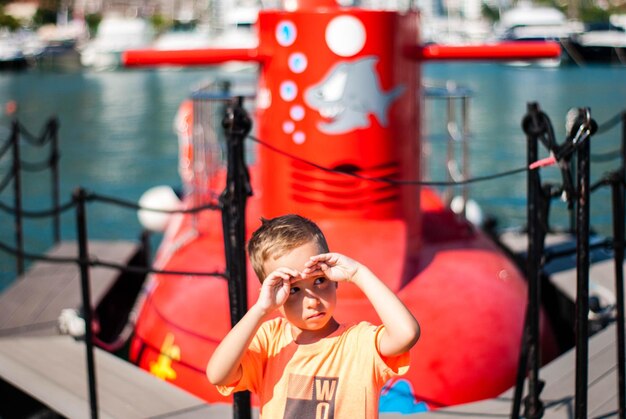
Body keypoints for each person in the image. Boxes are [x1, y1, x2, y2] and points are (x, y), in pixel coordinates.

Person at [207, 214, 420, 418]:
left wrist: (358, 274)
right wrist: (261, 309)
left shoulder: (358, 343)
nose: (312, 301)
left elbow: (407, 334)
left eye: (319, 281)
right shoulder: (270, 341)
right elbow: (218, 374)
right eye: (294, 290)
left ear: (334, 279)